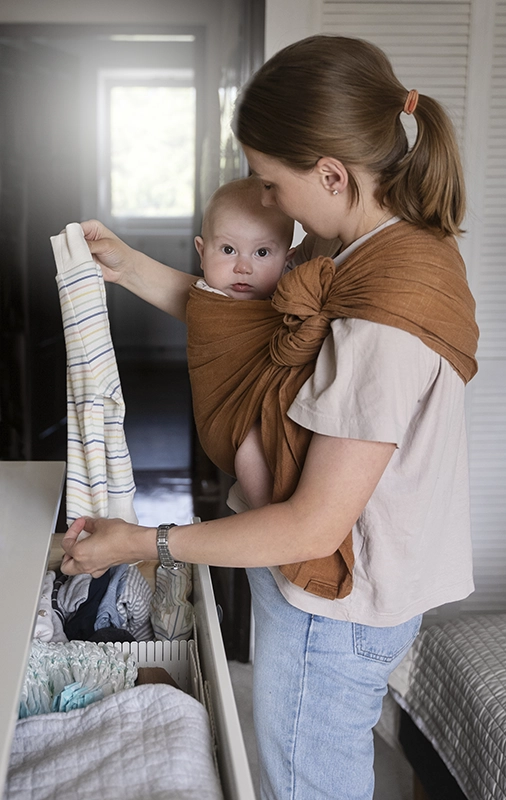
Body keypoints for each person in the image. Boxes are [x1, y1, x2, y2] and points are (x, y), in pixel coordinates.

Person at [60, 34, 479, 800]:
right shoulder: (389, 253)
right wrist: (125, 266)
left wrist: (148, 543)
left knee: (308, 786)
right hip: (372, 592)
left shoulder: (377, 322)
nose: (266, 201)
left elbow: (313, 530)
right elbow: (237, 317)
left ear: (329, 173)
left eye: (270, 182)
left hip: (333, 602)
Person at [194, 176, 294, 509]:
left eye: (262, 252)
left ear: (286, 261)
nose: (243, 267)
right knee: (251, 451)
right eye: (227, 250)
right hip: (235, 420)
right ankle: (270, 519)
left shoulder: (288, 299)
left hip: (278, 413)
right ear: (201, 252)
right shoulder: (206, 301)